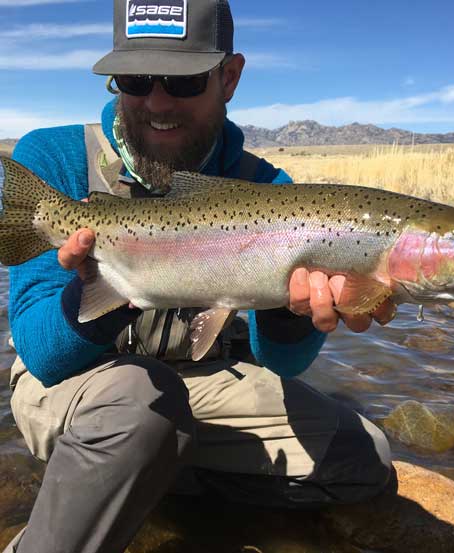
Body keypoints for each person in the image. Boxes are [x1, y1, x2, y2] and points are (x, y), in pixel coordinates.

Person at [4, 1, 397, 552]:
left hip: (199, 387)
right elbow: (41, 354)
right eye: (136, 79)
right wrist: (104, 282)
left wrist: (290, 312)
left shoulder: (269, 188)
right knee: (139, 405)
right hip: (77, 385)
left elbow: (282, 365)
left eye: (184, 81)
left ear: (229, 77)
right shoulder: (54, 156)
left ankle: (153, 482)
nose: (158, 101)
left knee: (363, 460)